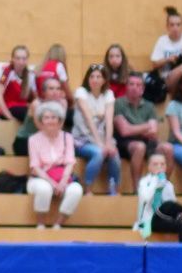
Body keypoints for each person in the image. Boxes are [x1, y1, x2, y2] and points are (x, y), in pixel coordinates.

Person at [26, 101, 83, 227]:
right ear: (41, 121)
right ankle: (40, 224)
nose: (50, 121)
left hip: (62, 176)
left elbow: (70, 162)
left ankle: (58, 225)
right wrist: (52, 183)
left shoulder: (67, 137)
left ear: (59, 120)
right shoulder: (33, 139)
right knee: (44, 188)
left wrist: (62, 182)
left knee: (76, 189)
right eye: (46, 118)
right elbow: (35, 167)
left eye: (53, 117)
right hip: (40, 177)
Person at [114, 74, 171, 191]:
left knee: (168, 148)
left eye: (138, 85)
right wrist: (146, 126)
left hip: (148, 141)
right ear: (126, 87)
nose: (135, 87)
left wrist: (133, 128)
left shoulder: (149, 106)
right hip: (125, 143)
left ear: (143, 89)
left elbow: (154, 131)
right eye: (131, 84)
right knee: (140, 147)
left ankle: (162, 186)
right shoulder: (118, 103)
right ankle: (138, 189)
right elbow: (124, 131)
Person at [71, 63, 119, 194]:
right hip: (82, 138)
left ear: (104, 80)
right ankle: (87, 187)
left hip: (102, 138)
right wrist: (99, 143)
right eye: (92, 76)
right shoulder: (81, 92)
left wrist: (108, 143)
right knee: (99, 153)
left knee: (114, 153)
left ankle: (113, 188)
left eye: (99, 77)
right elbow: (88, 119)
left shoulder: (108, 94)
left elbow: (109, 120)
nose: (95, 79)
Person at [134, 152, 182, 241]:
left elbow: (171, 205)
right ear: (149, 167)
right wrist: (158, 184)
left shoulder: (168, 184)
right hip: (149, 220)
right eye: (155, 164)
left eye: (162, 164)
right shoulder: (144, 182)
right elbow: (146, 198)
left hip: (164, 219)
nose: (159, 167)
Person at [148, 7, 182, 103]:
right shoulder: (162, 40)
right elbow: (154, 64)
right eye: (172, 25)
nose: (175, 28)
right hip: (167, 79)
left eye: (178, 25)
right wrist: (168, 59)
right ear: (167, 27)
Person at [0, 45, 33, 126]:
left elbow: (35, 96)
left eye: (24, 59)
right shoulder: (7, 73)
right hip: (9, 107)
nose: (21, 62)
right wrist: (8, 115)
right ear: (12, 59)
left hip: (23, 107)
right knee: (29, 114)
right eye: (18, 58)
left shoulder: (30, 75)